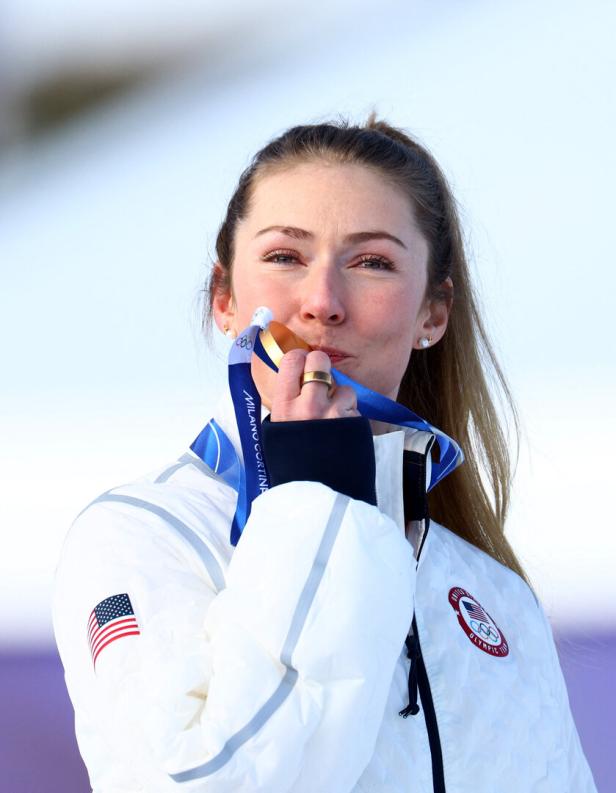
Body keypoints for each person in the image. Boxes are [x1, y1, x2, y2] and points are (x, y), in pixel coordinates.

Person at [52, 116, 597, 792]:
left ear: (433, 313)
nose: (322, 302)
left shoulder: (497, 599)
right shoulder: (144, 533)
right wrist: (313, 501)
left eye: (372, 262)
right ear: (225, 298)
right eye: (285, 256)